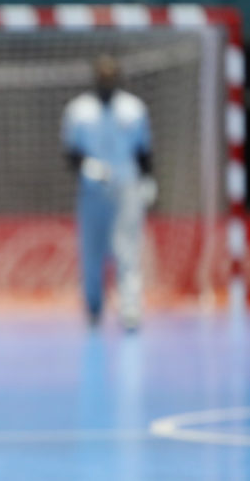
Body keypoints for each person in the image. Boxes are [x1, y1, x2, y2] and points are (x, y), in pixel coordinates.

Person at [62, 54, 154, 331]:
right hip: (92, 191)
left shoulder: (134, 109)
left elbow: (144, 152)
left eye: (111, 76)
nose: (107, 81)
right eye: (102, 76)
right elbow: (70, 153)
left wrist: (148, 181)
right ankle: (93, 306)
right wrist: (87, 167)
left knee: (127, 249)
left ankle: (130, 307)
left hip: (125, 187)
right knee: (91, 250)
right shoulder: (78, 111)